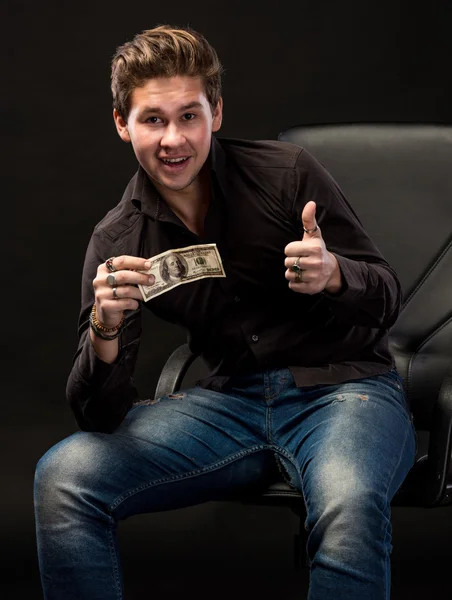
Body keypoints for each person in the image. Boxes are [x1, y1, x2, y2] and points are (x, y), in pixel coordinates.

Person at [34, 24, 416, 600]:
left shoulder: (287, 174)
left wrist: (335, 274)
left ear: (216, 112)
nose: (173, 139)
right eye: (153, 120)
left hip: (344, 390)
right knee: (64, 476)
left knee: (348, 501)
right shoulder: (119, 238)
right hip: (226, 404)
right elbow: (100, 415)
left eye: (189, 116)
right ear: (122, 124)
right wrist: (104, 330)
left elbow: (386, 296)